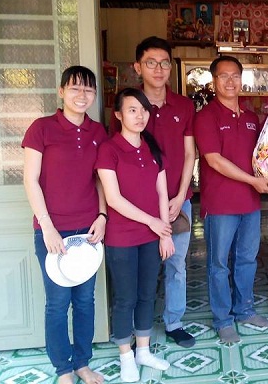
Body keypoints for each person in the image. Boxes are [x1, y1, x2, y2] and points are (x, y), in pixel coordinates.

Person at [110, 36, 196, 348]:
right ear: (138, 67)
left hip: (177, 202)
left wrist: (180, 195)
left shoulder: (184, 105)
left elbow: (190, 153)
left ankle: (174, 322)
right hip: (136, 208)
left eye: (164, 63)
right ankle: (134, 330)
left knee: (176, 265)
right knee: (138, 273)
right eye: (150, 63)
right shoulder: (128, 106)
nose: (158, 69)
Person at [22, 66, 107, 384]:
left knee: (85, 301)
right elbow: (30, 180)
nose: (82, 95)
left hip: (88, 232)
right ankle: (63, 369)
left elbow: (100, 179)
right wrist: (47, 226)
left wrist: (102, 216)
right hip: (52, 231)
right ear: (61, 92)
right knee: (58, 303)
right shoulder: (42, 128)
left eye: (88, 89)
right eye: (75, 88)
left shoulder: (98, 132)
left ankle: (83, 363)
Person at [194, 55, 268, 344]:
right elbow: (214, 160)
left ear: (242, 79)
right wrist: (253, 181)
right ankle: (223, 319)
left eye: (235, 76)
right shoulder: (206, 117)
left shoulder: (251, 118)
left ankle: (245, 310)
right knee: (218, 264)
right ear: (213, 81)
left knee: (247, 259)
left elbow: (263, 157)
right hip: (221, 204)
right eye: (223, 76)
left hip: (250, 204)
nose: (230, 81)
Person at [96, 88, 174, 382]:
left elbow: (162, 192)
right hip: (122, 237)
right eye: (132, 110)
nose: (140, 116)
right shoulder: (109, 149)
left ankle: (143, 350)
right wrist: (152, 222)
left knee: (146, 294)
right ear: (118, 115)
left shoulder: (152, 147)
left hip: (152, 236)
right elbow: (113, 199)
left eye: (143, 110)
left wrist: (164, 233)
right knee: (125, 297)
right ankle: (125, 356)